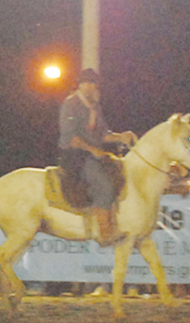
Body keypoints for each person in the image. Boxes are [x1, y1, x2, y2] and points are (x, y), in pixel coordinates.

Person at [57, 68, 138, 245]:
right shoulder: (70, 104)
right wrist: (93, 150)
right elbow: (70, 137)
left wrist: (119, 136)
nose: (91, 86)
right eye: (88, 82)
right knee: (105, 185)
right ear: (80, 84)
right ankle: (104, 232)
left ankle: (111, 220)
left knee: (118, 175)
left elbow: (103, 134)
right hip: (75, 156)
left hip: (93, 155)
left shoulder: (95, 106)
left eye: (94, 83)